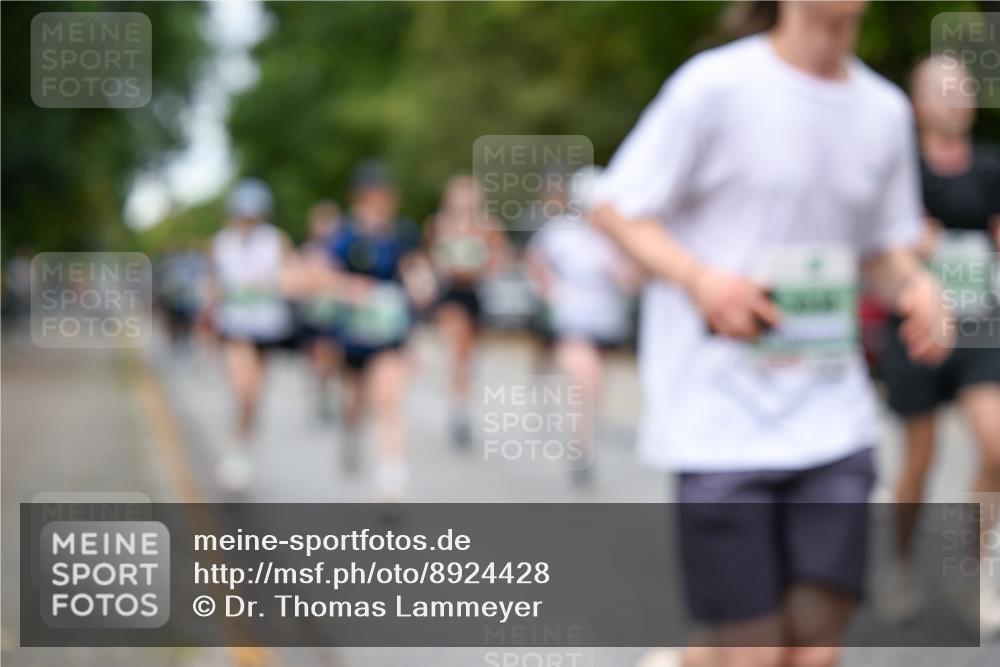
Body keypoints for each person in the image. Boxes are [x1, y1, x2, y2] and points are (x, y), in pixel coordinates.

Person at [589, 2, 952, 666]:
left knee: (814, 645)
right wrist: (701, 279)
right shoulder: (714, 87)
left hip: (832, 415)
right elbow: (615, 208)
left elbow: (880, 250)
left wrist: (917, 286)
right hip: (720, 415)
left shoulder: (884, 111)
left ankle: (694, 658)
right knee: (756, 653)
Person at [880, 55, 1000, 633]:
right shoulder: (899, 167)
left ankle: (972, 569)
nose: (956, 99)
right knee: (920, 461)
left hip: (979, 324)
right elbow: (876, 237)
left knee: (997, 447)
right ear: (918, 102)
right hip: (917, 327)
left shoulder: (989, 167)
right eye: (943, 90)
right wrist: (911, 246)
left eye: (964, 90)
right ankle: (899, 560)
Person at [326, 161, 431, 503]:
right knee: (356, 401)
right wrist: (351, 288)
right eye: (371, 195)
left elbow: (415, 270)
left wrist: (420, 284)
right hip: (355, 334)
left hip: (390, 333)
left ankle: (391, 481)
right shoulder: (344, 236)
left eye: (383, 195)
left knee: (389, 400)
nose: (378, 201)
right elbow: (324, 278)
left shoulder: (401, 233)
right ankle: (351, 434)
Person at [526, 168, 637, 485]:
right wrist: (548, 289)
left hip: (607, 322)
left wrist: (620, 274)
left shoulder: (617, 237)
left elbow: (634, 277)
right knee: (585, 379)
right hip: (572, 321)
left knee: (597, 387)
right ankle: (580, 448)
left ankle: (582, 439)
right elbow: (535, 260)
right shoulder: (561, 233)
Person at [205, 178, 295, 492]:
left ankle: (243, 446)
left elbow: (289, 276)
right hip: (235, 327)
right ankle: (236, 450)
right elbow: (214, 286)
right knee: (243, 387)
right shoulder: (221, 244)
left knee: (254, 395)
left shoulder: (276, 242)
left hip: (267, 327)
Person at [427, 175, 510, 449]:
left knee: (470, 356)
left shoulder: (489, 227)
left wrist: (484, 265)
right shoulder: (439, 225)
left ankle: (461, 401)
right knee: (458, 348)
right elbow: (432, 258)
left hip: (478, 294)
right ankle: (458, 408)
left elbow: (502, 259)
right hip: (451, 294)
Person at [295, 200, 344, 423]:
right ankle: (317, 394)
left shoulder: (343, 250)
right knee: (315, 357)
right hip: (313, 313)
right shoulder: (309, 251)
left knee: (331, 357)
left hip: (334, 312)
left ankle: (326, 393)